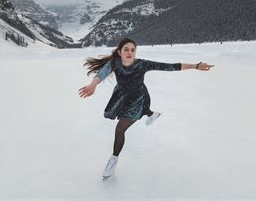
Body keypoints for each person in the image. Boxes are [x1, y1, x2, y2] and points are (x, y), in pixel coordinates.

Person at [78, 38, 214, 178]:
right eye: (126, 49)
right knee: (136, 115)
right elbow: (102, 73)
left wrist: (196, 66)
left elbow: (170, 66)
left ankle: (113, 159)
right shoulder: (115, 63)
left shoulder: (142, 64)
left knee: (120, 129)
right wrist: (93, 84)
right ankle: (151, 114)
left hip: (138, 99)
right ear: (119, 52)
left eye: (133, 50)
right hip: (121, 97)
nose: (130, 52)